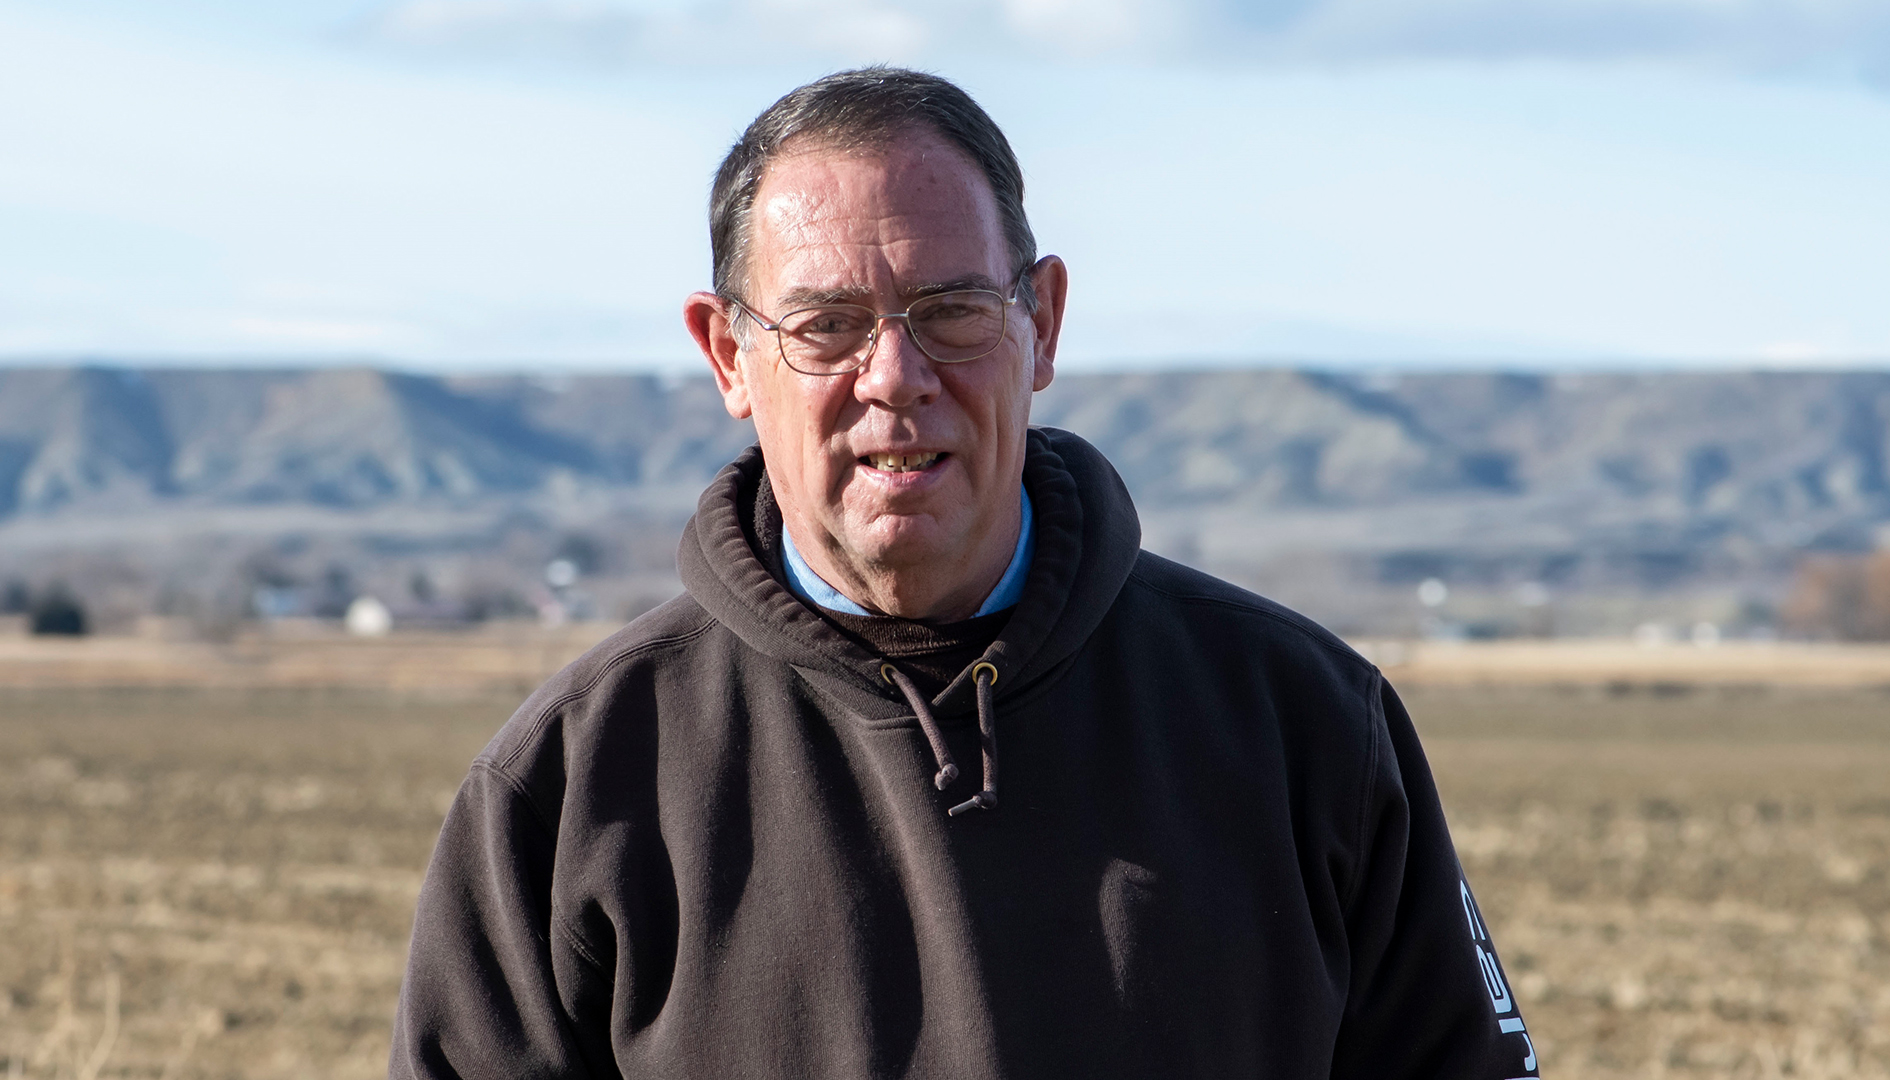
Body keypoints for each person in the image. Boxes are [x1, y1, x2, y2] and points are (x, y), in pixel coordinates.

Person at [391, 67, 1538, 1080]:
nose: (895, 376)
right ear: (727, 354)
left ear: (1041, 324)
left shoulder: (1304, 726)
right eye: (827, 326)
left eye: (949, 311)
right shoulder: (573, 784)